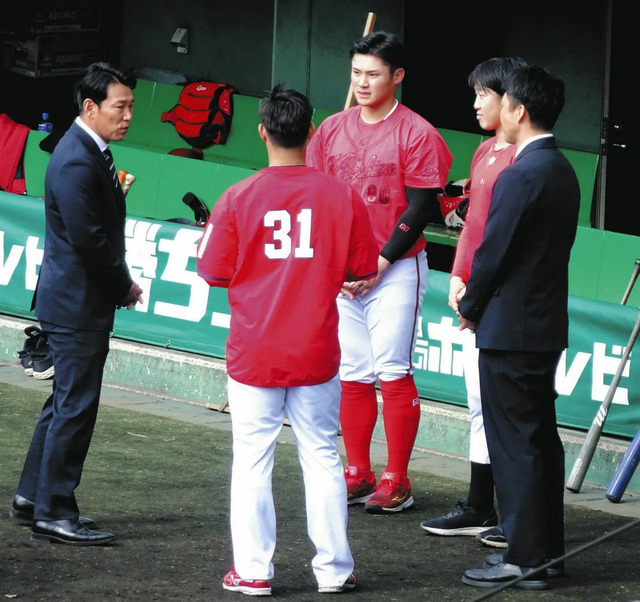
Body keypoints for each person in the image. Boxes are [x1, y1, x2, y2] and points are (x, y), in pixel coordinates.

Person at [196, 84, 379, 596]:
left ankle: (253, 572)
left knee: (253, 458)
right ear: (313, 131)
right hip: (316, 347)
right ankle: (334, 572)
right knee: (321, 455)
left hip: (255, 348)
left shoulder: (238, 196)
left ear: (262, 132)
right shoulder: (341, 195)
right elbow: (363, 268)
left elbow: (211, 271)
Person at [306, 31, 452, 513]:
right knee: (352, 373)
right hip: (344, 271)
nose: (363, 82)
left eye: (373, 74)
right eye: (356, 73)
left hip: (397, 266)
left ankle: (398, 479)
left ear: (398, 76)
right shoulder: (330, 129)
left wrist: (380, 262)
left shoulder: (417, 132)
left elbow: (423, 206)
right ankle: (358, 472)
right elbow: (318, 199)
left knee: (392, 371)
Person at [10, 62, 143, 545]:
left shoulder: (86, 152)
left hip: (73, 300)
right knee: (75, 407)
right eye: (120, 107)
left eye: (130, 106)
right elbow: (89, 239)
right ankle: (55, 511)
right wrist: (123, 286)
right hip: (76, 304)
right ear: (91, 107)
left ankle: (32, 497)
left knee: (63, 402)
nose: (128, 116)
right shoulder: (76, 159)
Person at [457, 65, 580, 590]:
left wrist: (471, 305)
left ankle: (525, 556)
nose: (496, 108)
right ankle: (542, 551)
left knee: (516, 445)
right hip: (542, 325)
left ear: (519, 110)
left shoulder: (521, 173)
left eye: (501, 100)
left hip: (511, 329)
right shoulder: (561, 169)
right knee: (537, 441)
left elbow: (492, 253)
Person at [420, 57, 526, 546]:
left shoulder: (526, 159)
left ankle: (514, 512)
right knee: (478, 405)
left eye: (484, 93)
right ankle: (480, 505)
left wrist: (479, 294)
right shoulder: (484, 151)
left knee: (506, 410)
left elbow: (508, 242)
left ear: (511, 101)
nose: (476, 102)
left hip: (503, 304)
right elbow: (472, 228)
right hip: (474, 295)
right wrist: (459, 278)